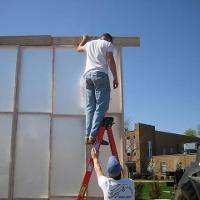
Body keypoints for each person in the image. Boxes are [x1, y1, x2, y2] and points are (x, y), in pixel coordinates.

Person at [77, 33, 118, 145]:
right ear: (109, 39)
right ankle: (93, 136)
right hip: (100, 75)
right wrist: (115, 78)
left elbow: (78, 48)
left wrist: (84, 39)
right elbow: (110, 60)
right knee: (101, 105)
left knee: (90, 107)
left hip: (87, 76)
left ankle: (87, 136)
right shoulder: (108, 44)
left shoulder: (90, 44)